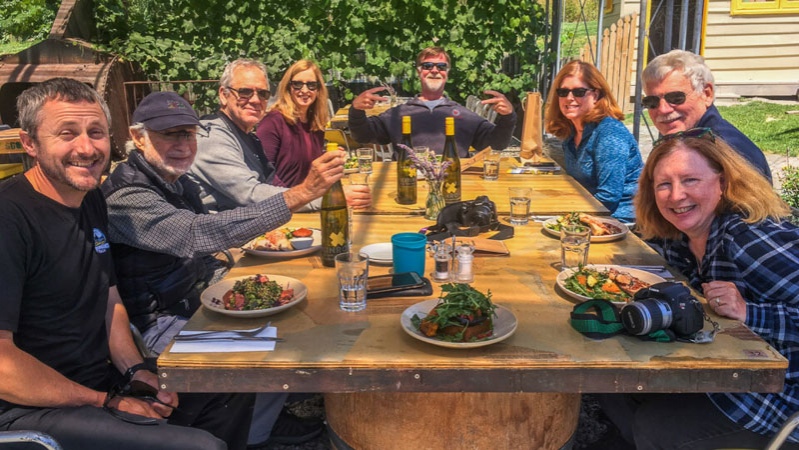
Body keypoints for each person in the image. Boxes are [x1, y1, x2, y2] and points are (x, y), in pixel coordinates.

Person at [0, 78, 254, 450]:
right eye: (67, 133)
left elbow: (109, 298)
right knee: (202, 447)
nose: (86, 148)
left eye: (96, 132)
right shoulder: (10, 219)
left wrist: (137, 373)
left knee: (230, 382)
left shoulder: (89, 200)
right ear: (29, 143)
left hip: (100, 385)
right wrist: (108, 402)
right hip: (30, 409)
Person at [101, 91, 337, 447]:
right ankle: (253, 436)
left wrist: (245, 287)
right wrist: (298, 195)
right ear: (138, 136)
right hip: (156, 326)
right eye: (170, 134)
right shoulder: (127, 195)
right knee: (271, 343)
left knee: (293, 314)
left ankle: (264, 422)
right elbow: (196, 235)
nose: (183, 144)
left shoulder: (176, 182)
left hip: (191, 305)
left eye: (189, 134)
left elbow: (204, 257)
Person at [600, 128, 799, 449]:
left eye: (691, 180)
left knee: (654, 427)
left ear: (722, 182)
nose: (676, 195)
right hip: (723, 366)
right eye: (664, 184)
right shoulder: (679, 236)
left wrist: (750, 312)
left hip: (778, 396)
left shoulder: (749, 238)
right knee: (613, 382)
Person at [188, 58, 370, 212]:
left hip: (259, 225)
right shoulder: (210, 138)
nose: (255, 100)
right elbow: (251, 195)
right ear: (223, 94)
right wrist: (326, 199)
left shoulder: (247, 137)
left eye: (262, 93)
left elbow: (269, 183)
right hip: (219, 244)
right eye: (244, 92)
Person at [348, 46, 517, 157]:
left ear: (447, 73)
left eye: (441, 67)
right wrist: (356, 111)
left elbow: (496, 144)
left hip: (453, 181)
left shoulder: (465, 116)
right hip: (409, 181)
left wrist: (508, 117)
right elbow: (362, 135)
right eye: (428, 65)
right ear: (419, 71)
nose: (435, 70)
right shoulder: (397, 114)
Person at [642, 49, 772, 182]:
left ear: (707, 94)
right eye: (652, 102)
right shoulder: (683, 141)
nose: (663, 109)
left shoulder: (728, 151)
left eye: (676, 98)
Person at [544, 60, 643, 222]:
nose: (569, 98)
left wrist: (566, 218)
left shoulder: (609, 133)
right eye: (563, 92)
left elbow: (608, 197)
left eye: (579, 92)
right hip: (591, 215)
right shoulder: (571, 131)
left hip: (622, 224)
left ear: (596, 95)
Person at [256, 59, 330, 187]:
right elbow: (263, 174)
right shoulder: (273, 122)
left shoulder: (316, 124)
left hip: (309, 199)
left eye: (311, 85)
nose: (305, 90)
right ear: (288, 88)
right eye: (297, 84)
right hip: (282, 201)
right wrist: (293, 197)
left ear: (319, 90)